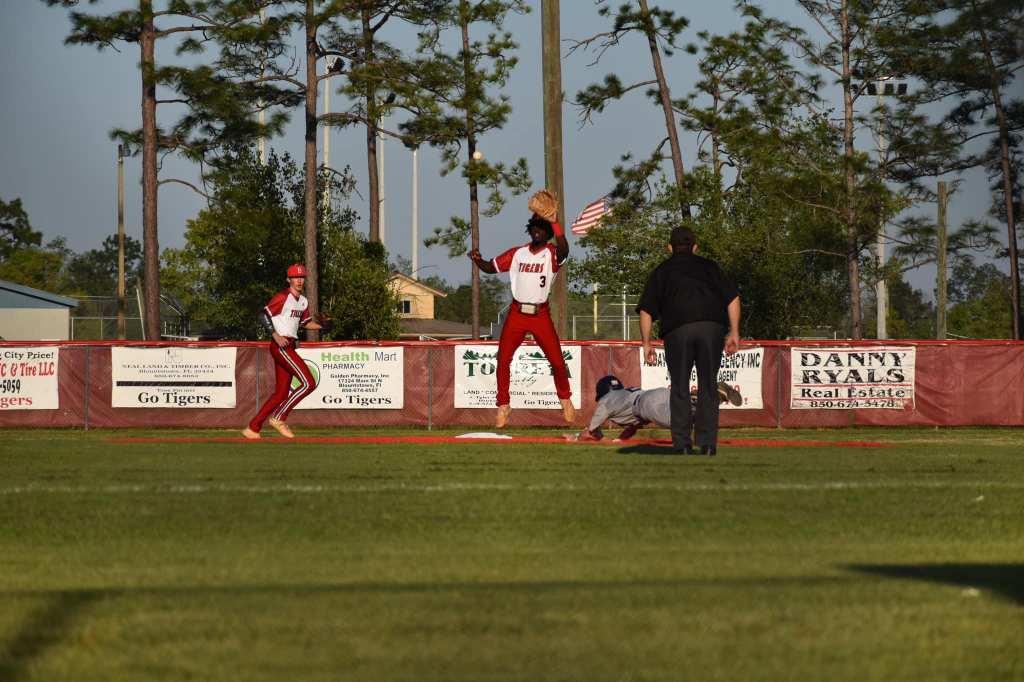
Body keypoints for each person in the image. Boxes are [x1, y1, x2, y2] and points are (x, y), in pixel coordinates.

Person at [468, 190, 575, 428]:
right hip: (516, 313)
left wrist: (555, 224)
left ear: (547, 233)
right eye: (534, 226)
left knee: (557, 362)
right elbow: (490, 267)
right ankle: (503, 405)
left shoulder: (552, 253)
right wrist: (477, 259)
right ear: (529, 229)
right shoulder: (517, 253)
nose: (537, 230)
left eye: (541, 227)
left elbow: (565, 249)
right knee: (503, 359)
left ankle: (565, 398)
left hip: (540, 314)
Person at [637, 226, 740, 455]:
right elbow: (732, 297)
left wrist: (646, 343)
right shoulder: (710, 267)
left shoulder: (662, 271)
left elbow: (646, 310)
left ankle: (683, 445)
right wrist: (734, 331)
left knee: (681, 387)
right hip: (711, 327)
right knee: (708, 386)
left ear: (670, 247)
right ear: (695, 247)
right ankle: (707, 444)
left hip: (678, 330)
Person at [242, 263, 323, 440]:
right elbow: (263, 315)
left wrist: (323, 326)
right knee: (309, 383)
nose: (299, 280)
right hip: (281, 344)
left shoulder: (303, 301)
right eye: (295, 277)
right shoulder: (282, 297)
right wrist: (275, 335)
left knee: (280, 394)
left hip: (289, 344)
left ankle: (253, 428)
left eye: (302, 277)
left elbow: (305, 323)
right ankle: (279, 418)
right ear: (289, 280)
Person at [569, 374, 742, 447]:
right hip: (656, 394)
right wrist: (619, 440)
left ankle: (703, 398)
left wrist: (577, 437)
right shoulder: (623, 394)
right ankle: (707, 394)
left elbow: (591, 430)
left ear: (603, 390)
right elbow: (633, 427)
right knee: (691, 417)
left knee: (680, 421)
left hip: (646, 404)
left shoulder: (607, 400)